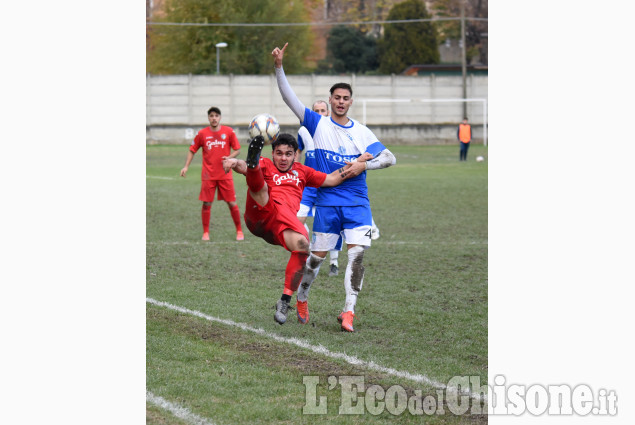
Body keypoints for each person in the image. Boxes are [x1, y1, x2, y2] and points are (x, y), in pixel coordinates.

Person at [272, 43, 397, 332]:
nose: (341, 102)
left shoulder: (362, 131)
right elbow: (289, 98)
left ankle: (348, 311)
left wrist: (364, 165)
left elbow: (390, 157)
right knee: (315, 259)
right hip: (327, 203)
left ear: (351, 102)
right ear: (330, 100)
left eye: (345, 98)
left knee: (357, 256)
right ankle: (302, 296)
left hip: (357, 204)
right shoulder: (318, 124)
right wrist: (279, 68)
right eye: (337, 98)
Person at [222, 133, 355, 325]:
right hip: (259, 214)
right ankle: (254, 164)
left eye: (288, 154)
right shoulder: (267, 163)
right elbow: (240, 166)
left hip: (282, 224)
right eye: (279, 153)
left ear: (295, 155)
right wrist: (235, 162)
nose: (283, 158)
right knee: (260, 184)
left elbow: (332, 179)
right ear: (272, 153)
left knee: (302, 245)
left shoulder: (303, 172)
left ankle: (284, 301)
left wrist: (356, 164)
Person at [298, 100, 382, 277]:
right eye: (316, 110)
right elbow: (298, 151)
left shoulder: (336, 133)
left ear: (328, 112)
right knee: (297, 222)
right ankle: (303, 255)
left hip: (330, 183)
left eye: (323, 110)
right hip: (310, 184)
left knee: (335, 224)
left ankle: (334, 263)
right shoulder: (305, 130)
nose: (320, 113)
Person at [180, 107, 244, 241]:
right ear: (208, 118)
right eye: (211, 116)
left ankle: (239, 231)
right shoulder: (202, 134)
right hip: (208, 176)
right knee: (207, 204)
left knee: (232, 203)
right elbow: (192, 150)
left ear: (220, 117)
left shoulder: (229, 132)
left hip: (225, 175)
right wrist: (186, 166)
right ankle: (206, 233)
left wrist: (229, 157)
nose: (214, 118)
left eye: (216, 116)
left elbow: (237, 149)